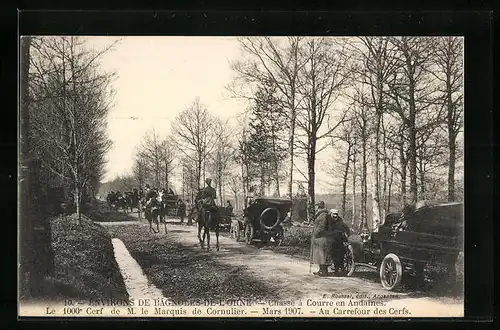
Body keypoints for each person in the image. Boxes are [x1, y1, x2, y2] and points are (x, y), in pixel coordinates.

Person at [310, 201, 334, 277]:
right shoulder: (321, 214)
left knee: (322, 255)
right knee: (320, 255)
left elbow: (321, 227)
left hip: (322, 237)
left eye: (316, 206)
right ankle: (321, 270)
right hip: (320, 238)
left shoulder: (323, 215)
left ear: (319, 206)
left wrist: (316, 233)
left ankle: (324, 271)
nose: (315, 207)